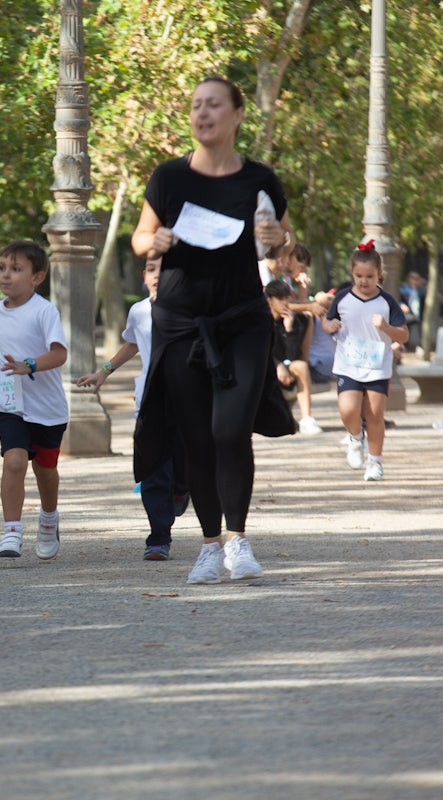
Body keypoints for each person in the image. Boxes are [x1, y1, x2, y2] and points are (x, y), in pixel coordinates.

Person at [130, 76, 296, 586]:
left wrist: (276, 237)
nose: (203, 113)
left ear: (237, 114)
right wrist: (152, 240)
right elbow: (139, 239)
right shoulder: (169, 178)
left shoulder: (260, 180)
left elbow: (284, 243)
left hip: (242, 320)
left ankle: (239, 541)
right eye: (196, 105)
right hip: (180, 324)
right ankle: (207, 546)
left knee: (230, 429)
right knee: (198, 437)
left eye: (214, 105)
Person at [76, 256, 190, 561]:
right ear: (143, 275)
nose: (157, 276)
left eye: (165, 270)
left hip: (186, 399)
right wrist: (103, 371)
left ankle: (181, 490)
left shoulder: (191, 307)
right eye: (151, 269)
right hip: (149, 400)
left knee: (182, 466)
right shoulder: (139, 311)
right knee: (152, 468)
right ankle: (158, 538)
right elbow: (132, 343)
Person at [0, 241, 69, 561]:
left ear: (37, 277)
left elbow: (59, 353)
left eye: (16, 269)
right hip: (9, 400)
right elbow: (0, 344)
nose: (6, 275)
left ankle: (49, 519)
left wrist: (31, 365)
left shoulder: (44, 310)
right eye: (2, 268)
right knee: (13, 460)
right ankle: (11, 530)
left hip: (48, 407)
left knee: (45, 469)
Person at [321, 241, 409, 481]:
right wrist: (330, 325)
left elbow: (404, 334)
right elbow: (327, 323)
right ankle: (355, 437)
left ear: (379, 274)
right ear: (352, 273)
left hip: (377, 366)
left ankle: (375, 462)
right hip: (348, 365)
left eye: (369, 276)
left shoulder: (387, 301)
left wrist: (386, 327)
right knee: (348, 410)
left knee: (375, 415)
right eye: (359, 275)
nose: (364, 281)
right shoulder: (342, 298)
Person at [265, 279, 322, 434]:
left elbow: (294, 356)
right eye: (280, 299)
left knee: (300, 365)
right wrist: (277, 365)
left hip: (288, 372)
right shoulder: (261, 322)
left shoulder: (295, 320)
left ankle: (306, 419)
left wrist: (288, 330)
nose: (285, 302)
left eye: (287, 298)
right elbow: (261, 352)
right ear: (270, 300)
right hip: (267, 370)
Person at [399, 271, 426, 351]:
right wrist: (402, 305)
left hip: (419, 315)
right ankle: (404, 346)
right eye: (413, 278)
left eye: (417, 279)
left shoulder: (422, 291)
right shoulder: (404, 290)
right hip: (409, 314)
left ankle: (420, 346)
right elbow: (400, 301)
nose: (415, 280)